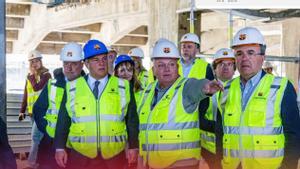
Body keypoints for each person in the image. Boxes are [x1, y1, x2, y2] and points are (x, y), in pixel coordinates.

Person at [220, 27, 300, 169]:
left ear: (262, 57)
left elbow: (294, 134)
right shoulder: (227, 88)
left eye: (251, 53)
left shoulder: (281, 87)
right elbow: (222, 130)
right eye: (239, 53)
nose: (244, 58)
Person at [137, 39, 223, 169]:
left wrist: (206, 87)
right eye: (161, 65)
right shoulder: (148, 91)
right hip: (150, 163)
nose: (167, 69)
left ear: (177, 67)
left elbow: (197, 86)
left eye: (171, 64)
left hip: (182, 165)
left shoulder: (185, 88)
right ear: (153, 69)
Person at [54, 39, 139, 169]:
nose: (102, 63)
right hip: (81, 156)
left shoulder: (123, 86)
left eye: (104, 59)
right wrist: (59, 147)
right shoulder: (72, 87)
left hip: (114, 156)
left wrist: (134, 146)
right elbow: (63, 120)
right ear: (86, 63)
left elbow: (132, 119)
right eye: (96, 60)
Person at [33, 42, 85, 169]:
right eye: (66, 63)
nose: (69, 67)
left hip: (77, 147)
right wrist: (47, 128)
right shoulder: (53, 84)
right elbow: (38, 109)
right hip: (50, 144)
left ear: (82, 64)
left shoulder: (89, 87)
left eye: (74, 63)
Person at [200, 48, 236, 169]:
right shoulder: (206, 89)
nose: (226, 67)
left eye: (229, 64)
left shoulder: (242, 90)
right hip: (210, 151)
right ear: (214, 69)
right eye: (221, 64)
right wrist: (216, 127)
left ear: (234, 68)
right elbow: (198, 118)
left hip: (234, 150)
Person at [19, 50, 51, 169]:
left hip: (42, 113)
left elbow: (37, 88)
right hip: (32, 113)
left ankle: (31, 163)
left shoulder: (46, 75)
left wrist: (32, 75)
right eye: (32, 62)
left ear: (41, 62)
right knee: (40, 137)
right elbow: (26, 94)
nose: (34, 64)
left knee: (35, 137)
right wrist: (22, 111)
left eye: (37, 61)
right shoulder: (29, 77)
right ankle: (40, 162)